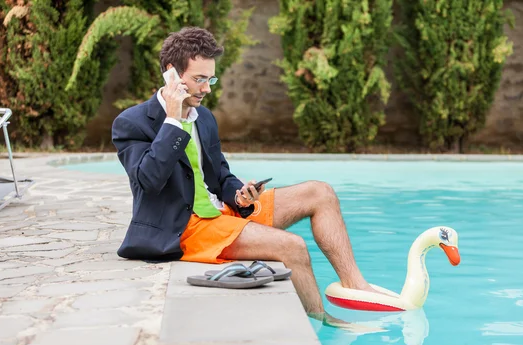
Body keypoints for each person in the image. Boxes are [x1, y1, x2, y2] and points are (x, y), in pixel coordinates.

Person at [111, 26, 380, 324]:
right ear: (171, 74)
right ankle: (323, 322)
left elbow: (221, 176)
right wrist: (173, 119)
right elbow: (149, 181)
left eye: (210, 78)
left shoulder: (205, 118)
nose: (207, 88)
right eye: (199, 79)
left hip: (222, 211)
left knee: (320, 192)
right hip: (185, 226)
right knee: (292, 246)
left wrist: (240, 194)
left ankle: (356, 286)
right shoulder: (132, 123)